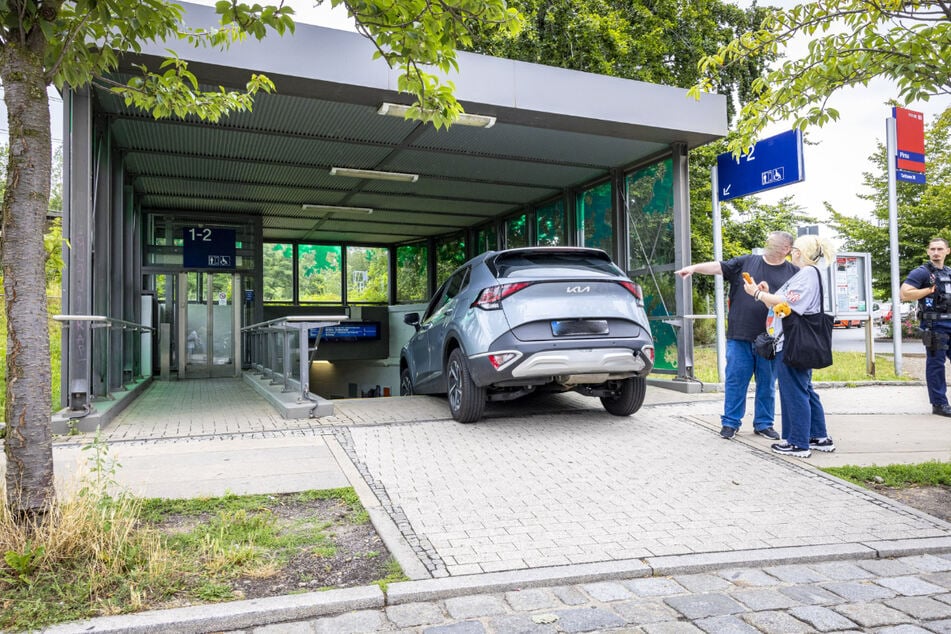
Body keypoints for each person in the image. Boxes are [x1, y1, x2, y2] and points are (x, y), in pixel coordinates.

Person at [676, 231, 798, 440]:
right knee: (735, 380)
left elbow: (794, 303)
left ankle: (763, 424)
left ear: (786, 248)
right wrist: (694, 268)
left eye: (773, 242)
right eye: (768, 241)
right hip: (740, 335)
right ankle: (730, 423)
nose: (768, 244)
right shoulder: (747, 262)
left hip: (771, 339)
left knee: (767, 383)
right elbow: (718, 267)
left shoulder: (793, 272)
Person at [742, 234, 836, 458]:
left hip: (794, 341)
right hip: (800, 339)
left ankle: (797, 442)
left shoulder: (806, 274)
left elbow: (789, 304)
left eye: (794, 249)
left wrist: (757, 293)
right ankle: (818, 436)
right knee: (805, 388)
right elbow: (780, 302)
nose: (791, 252)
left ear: (799, 252)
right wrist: (763, 293)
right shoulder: (812, 274)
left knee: (793, 390)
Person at [900, 237, 951, 417]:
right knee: (936, 365)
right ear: (928, 251)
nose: (936, 252)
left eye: (940, 249)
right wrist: (928, 291)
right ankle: (939, 404)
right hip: (934, 325)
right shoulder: (921, 273)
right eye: (932, 249)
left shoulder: (949, 272)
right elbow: (905, 293)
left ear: (947, 251)